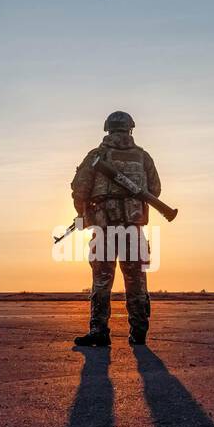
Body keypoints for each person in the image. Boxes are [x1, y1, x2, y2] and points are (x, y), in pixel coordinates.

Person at [70, 111, 161, 346]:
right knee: (136, 281)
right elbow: (155, 190)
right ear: (130, 129)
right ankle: (139, 332)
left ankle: (99, 332)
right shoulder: (143, 157)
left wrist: (83, 213)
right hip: (133, 229)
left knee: (101, 281)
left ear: (107, 129)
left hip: (104, 229)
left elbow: (79, 189)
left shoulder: (97, 155)